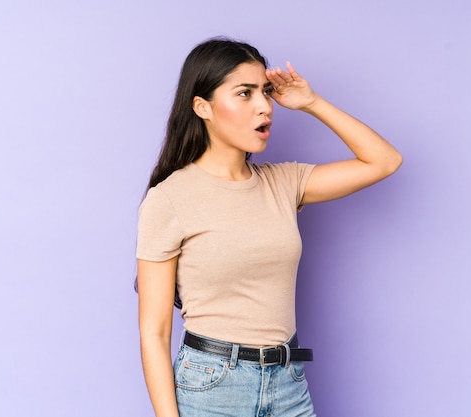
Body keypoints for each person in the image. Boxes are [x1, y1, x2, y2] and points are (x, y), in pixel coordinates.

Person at [136, 37, 402, 417]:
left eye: (265, 92)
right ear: (202, 107)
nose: (264, 107)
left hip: (288, 383)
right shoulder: (169, 199)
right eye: (244, 94)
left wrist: (312, 103)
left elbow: (384, 161)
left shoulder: (283, 182)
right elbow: (154, 332)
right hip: (213, 388)